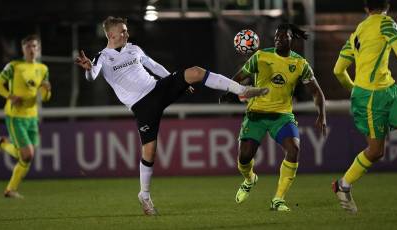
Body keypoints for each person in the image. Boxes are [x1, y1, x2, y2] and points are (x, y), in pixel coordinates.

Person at [74, 16, 268, 216]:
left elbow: (155, 66)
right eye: (122, 31)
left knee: (195, 72)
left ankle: (242, 90)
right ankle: (145, 195)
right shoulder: (102, 57)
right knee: (150, 152)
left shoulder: (134, 49)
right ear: (111, 34)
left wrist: (177, 83)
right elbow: (92, 75)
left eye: (126, 30)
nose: (127, 33)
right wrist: (88, 69)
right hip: (142, 105)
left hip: (156, 88)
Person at [231, 23, 327, 211]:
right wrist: (235, 92)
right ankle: (250, 179)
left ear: (292, 40)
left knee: (294, 149)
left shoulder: (300, 64)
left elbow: (317, 92)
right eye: (276, 37)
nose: (278, 40)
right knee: (244, 157)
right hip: (256, 114)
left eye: (283, 37)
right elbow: (237, 79)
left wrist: (321, 115)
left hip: (282, 116)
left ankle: (278, 199)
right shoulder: (260, 56)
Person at [332, 0, 397, 213]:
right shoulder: (386, 22)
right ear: (387, 6)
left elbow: (338, 70)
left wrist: (354, 89)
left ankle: (343, 185)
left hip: (381, 93)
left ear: (366, 8)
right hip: (376, 97)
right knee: (375, 151)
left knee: (376, 151)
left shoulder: (357, 32)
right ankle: (342, 185)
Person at [0, 34, 51, 199]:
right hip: (15, 116)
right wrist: (10, 96)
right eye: (28, 46)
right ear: (23, 49)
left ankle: (10, 189)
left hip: (32, 117)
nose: (31, 49)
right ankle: (3, 144)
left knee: (25, 157)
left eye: (34, 46)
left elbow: (44, 97)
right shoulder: (13, 66)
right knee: (27, 154)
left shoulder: (43, 69)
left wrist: (47, 90)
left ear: (38, 49)